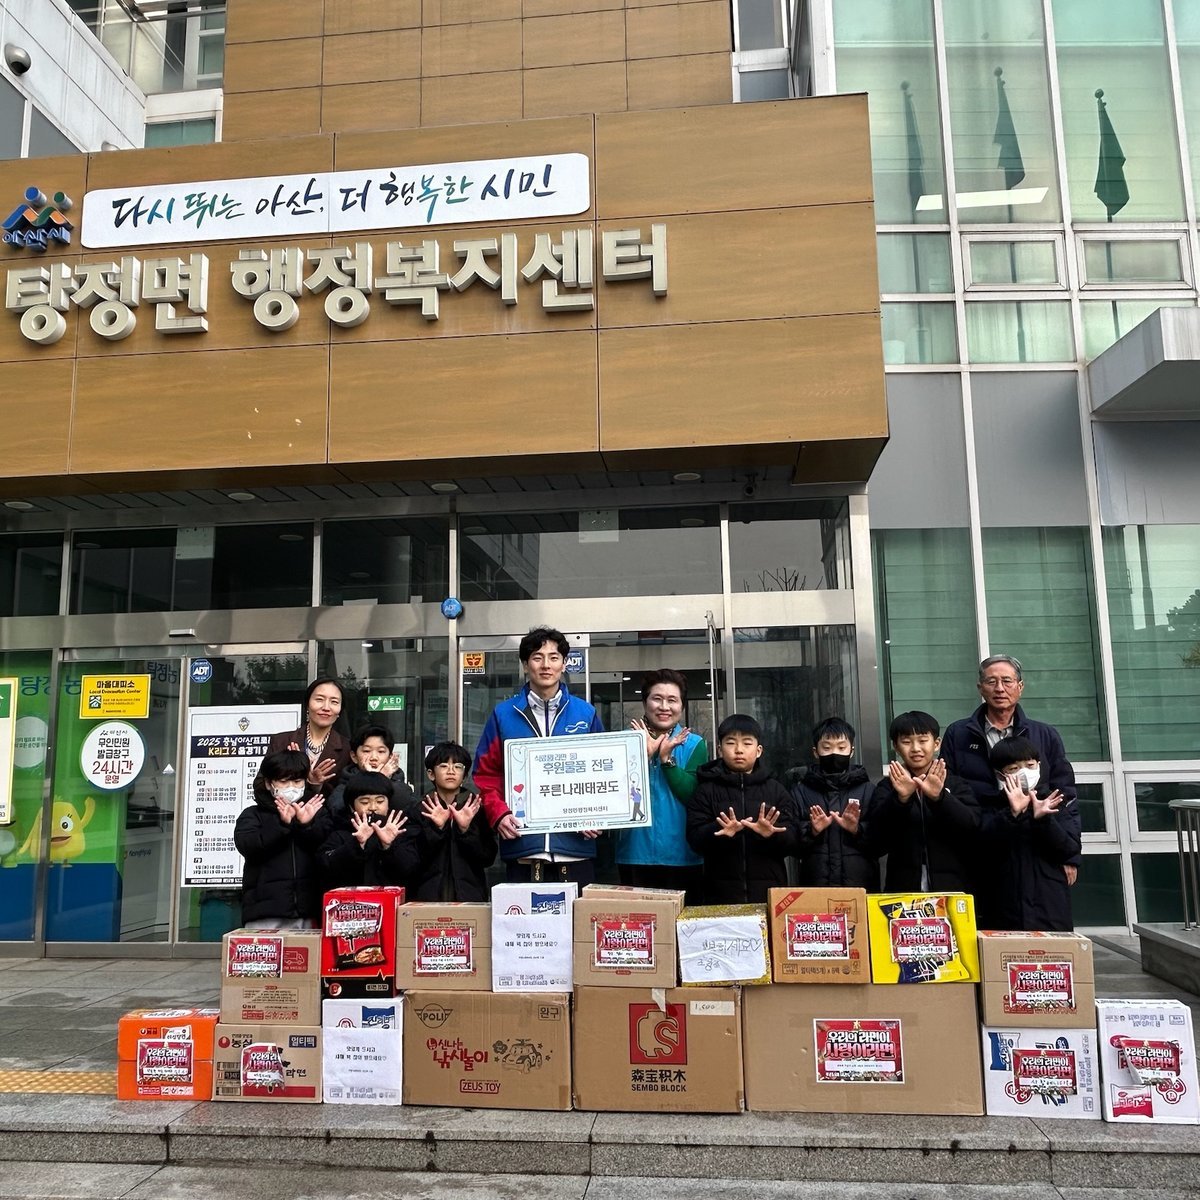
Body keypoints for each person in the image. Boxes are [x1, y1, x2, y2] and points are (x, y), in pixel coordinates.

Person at [473, 626, 605, 886]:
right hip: (524, 847)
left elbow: (603, 771)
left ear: (564, 664)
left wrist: (597, 814)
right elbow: (486, 774)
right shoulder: (503, 715)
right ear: (525, 665)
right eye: (537, 657)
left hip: (575, 848)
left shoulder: (585, 713)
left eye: (554, 657)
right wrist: (499, 814)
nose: (546, 665)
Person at [615, 668, 706, 902]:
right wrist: (643, 756)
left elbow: (692, 795)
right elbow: (612, 794)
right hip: (634, 853)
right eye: (657, 698)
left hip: (683, 855)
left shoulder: (695, 744)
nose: (664, 707)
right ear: (645, 702)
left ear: (682, 706)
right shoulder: (623, 740)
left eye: (672, 700)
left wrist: (667, 760)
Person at [685, 714, 798, 903]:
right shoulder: (706, 790)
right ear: (720, 750)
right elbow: (694, 839)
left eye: (747, 743)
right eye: (731, 743)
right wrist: (719, 831)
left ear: (759, 750)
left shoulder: (776, 790)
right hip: (720, 895)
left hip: (769, 894)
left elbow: (794, 840)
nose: (739, 750)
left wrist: (771, 834)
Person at [870, 711, 979, 892]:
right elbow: (876, 842)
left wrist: (940, 798)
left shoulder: (955, 783)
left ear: (936, 744)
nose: (915, 748)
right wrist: (900, 800)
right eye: (906, 742)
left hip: (952, 888)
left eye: (922, 740)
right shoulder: (888, 787)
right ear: (895, 746)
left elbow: (972, 829)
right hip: (903, 889)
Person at [981, 736, 1081, 931]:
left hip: (1049, 905)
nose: (1024, 772)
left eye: (1030, 765)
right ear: (1001, 775)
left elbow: (1069, 849)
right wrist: (1012, 814)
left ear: (1039, 766)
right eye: (1014, 768)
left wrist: (1043, 819)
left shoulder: (1054, 801)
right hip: (1004, 905)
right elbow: (984, 848)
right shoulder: (991, 805)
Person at [234, 749, 331, 928]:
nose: (291, 787)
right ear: (269, 783)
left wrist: (305, 825)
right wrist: (282, 825)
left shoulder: (317, 812)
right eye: (284, 781)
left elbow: (327, 851)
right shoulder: (253, 815)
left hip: (308, 909)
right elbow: (248, 846)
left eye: (297, 781)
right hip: (264, 911)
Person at [791, 717, 880, 889]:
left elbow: (880, 842)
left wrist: (857, 829)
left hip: (860, 886)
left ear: (851, 751)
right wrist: (812, 831)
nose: (834, 753)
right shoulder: (801, 791)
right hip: (815, 887)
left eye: (841, 747)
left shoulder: (868, 790)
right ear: (815, 752)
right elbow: (791, 844)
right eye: (826, 748)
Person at [411, 741, 497, 902]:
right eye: (444, 766)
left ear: (464, 776)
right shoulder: (420, 809)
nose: (451, 771)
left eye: (458, 767)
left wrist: (465, 830)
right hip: (427, 900)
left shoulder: (476, 808)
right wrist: (437, 829)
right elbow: (413, 860)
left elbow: (488, 857)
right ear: (431, 774)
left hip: (470, 898)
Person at [320, 770, 423, 890]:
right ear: (351, 806)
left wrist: (388, 846)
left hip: (391, 900)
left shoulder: (401, 830)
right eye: (365, 802)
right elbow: (326, 867)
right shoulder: (339, 831)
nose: (373, 807)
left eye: (380, 801)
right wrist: (357, 844)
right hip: (351, 901)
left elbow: (411, 870)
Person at [268, 677, 352, 797]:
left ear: (340, 710)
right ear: (307, 704)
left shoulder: (347, 748)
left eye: (334, 702)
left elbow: (349, 794)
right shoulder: (281, 742)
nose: (326, 707)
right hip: (282, 809)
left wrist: (315, 785)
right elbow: (260, 786)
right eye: (319, 699)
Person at [327, 723, 416, 819]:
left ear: (390, 757)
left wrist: (380, 780)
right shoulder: (344, 785)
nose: (374, 757)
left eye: (381, 751)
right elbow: (337, 810)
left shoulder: (400, 784)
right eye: (366, 751)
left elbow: (406, 806)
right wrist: (376, 779)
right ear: (354, 756)